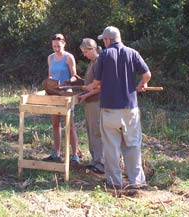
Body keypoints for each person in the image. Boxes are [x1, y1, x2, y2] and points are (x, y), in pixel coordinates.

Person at [87, 26, 151, 189]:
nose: (104, 42)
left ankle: (115, 182)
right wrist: (142, 84)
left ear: (108, 40)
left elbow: (97, 83)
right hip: (130, 109)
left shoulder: (104, 55)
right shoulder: (132, 53)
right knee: (132, 146)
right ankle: (136, 181)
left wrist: (90, 87)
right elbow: (147, 74)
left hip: (109, 109)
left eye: (104, 40)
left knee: (111, 147)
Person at [43, 33, 80, 164]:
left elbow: (75, 76)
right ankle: (56, 153)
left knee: (69, 124)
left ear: (64, 43)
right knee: (55, 124)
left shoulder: (69, 57)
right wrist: (48, 85)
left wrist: (67, 82)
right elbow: (50, 76)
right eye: (54, 46)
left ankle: (75, 155)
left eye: (58, 46)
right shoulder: (50, 58)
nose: (56, 49)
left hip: (66, 93)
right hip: (53, 94)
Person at [78, 38, 104, 174]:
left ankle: (101, 163)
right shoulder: (92, 63)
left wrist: (85, 96)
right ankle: (95, 160)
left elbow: (100, 86)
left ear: (92, 49)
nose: (84, 54)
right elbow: (88, 83)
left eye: (85, 51)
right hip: (89, 102)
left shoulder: (99, 62)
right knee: (90, 130)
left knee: (96, 131)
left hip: (97, 102)